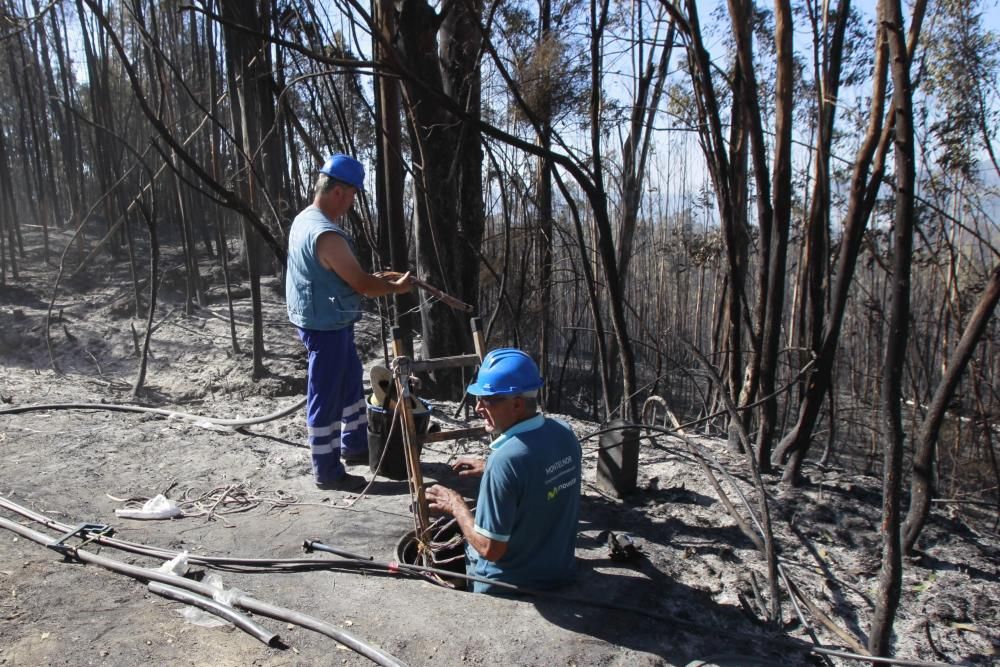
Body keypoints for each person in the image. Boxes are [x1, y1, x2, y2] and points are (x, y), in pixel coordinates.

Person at [286, 154, 413, 491]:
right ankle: (327, 470)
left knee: (349, 381)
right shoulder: (327, 235)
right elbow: (363, 286)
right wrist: (394, 287)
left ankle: (355, 443)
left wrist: (377, 277)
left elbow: (339, 275)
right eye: (354, 194)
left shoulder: (304, 220)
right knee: (325, 395)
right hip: (324, 325)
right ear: (340, 191)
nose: (353, 202)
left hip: (323, 317)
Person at [425, 348, 582, 593]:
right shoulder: (564, 433)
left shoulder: (506, 461)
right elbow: (538, 476)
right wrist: (494, 469)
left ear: (517, 404)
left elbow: (490, 549)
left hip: (506, 585)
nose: (477, 408)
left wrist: (455, 505)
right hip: (559, 571)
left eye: (486, 399)